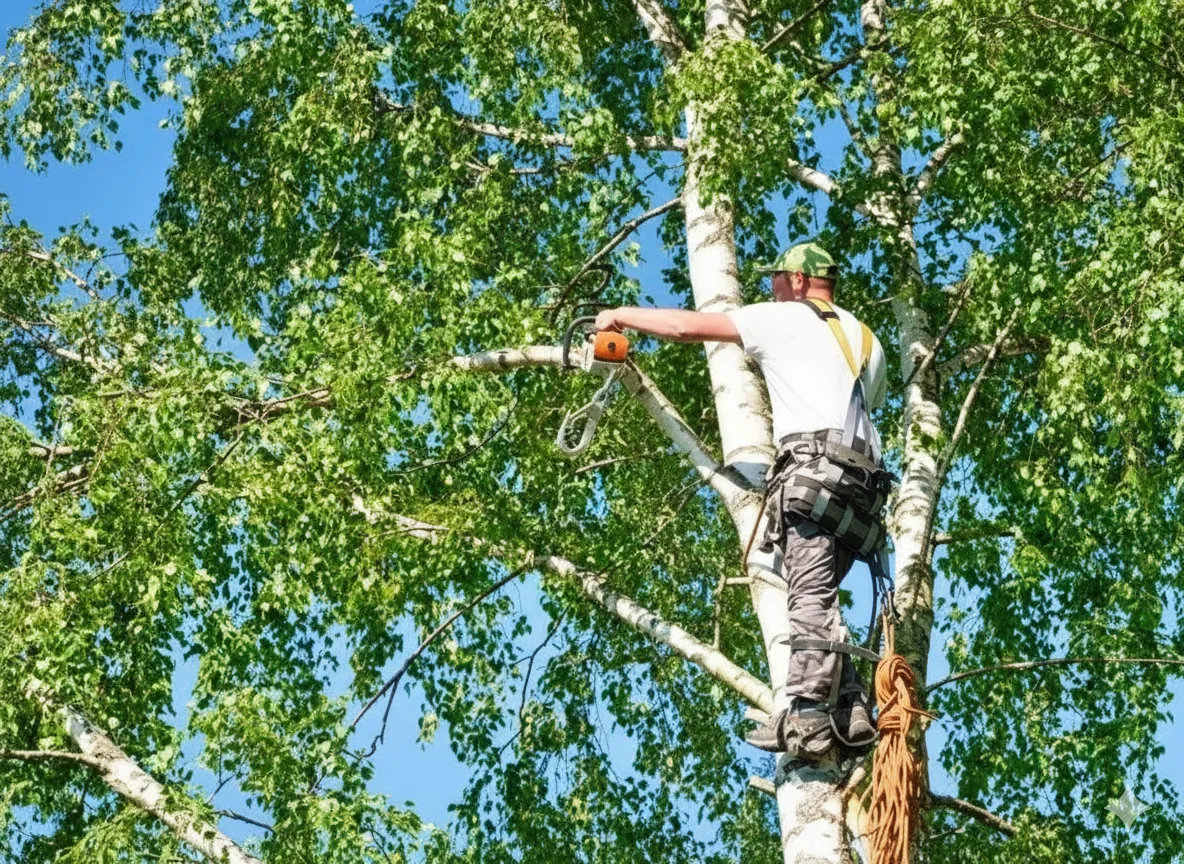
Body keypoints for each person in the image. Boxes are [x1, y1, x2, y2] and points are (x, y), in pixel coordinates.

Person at [593, 242, 888, 760]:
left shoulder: (786, 318)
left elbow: (689, 328)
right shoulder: (867, 340)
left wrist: (619, 316)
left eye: (776, 280)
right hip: (862, 494)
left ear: (798, 281)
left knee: (808, 599)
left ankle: (808, 718)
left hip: (813, 481)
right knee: (819, 595)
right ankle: (852, 710)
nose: (770, 289)